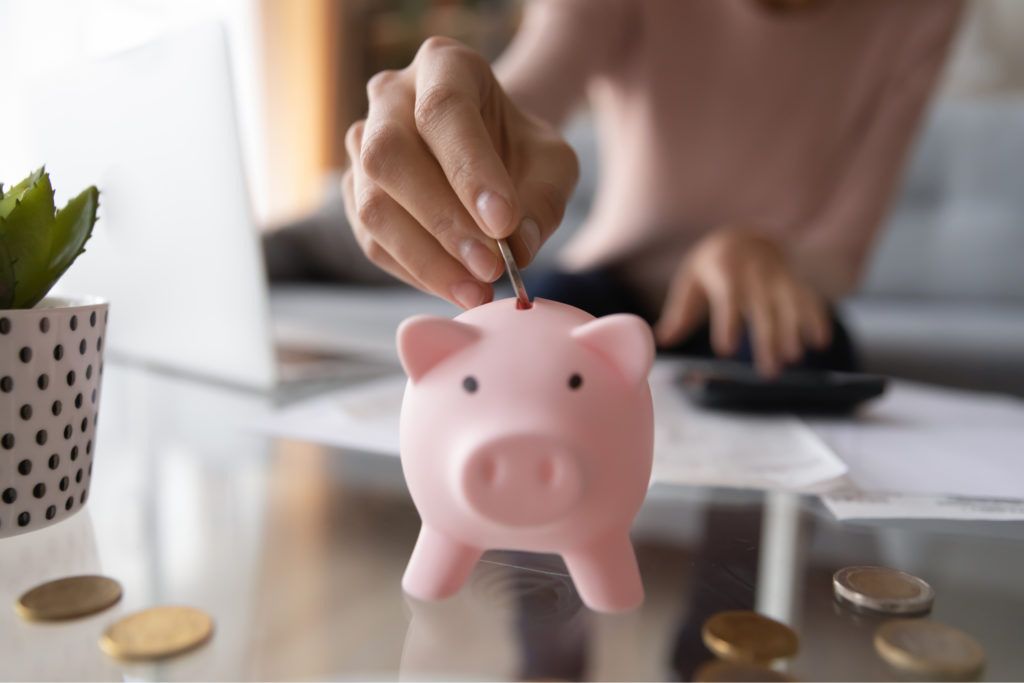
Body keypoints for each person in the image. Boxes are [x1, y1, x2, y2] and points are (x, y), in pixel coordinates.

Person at [340, 0, 963, 376]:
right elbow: (525, 97)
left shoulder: (922, 12)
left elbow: (843, 251)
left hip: (770, 304)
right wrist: (456, 116)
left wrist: (764, 253)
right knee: (540, 331)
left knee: (801, 356)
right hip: (615, 283)